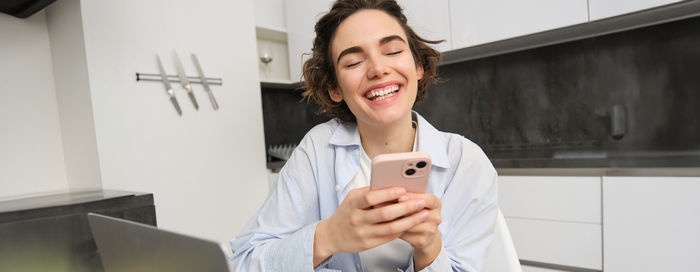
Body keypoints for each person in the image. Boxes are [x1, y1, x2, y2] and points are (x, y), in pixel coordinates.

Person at [230, 0, 498, 271]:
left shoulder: (467, 163)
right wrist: (330, 236)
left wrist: (429, 248)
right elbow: (243, 262)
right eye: (354, 61)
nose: (378, 69)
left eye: (392, 50)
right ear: (335, 88)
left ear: (418, 66)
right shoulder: (317, 149)